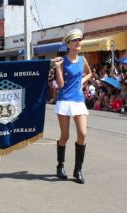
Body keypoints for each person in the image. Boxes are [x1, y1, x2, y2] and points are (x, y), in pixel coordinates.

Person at [54, 28, 92, 184]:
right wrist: (57, 68)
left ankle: (78, 170)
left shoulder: (83, 60)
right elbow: (61, 84)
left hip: (78, 99)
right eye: (75, 40)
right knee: (65, 136)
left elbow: (90, 73)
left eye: (79, 40)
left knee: (82, 134)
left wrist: (81, 82)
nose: (78, 43)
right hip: (64, 100)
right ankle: (60, 166)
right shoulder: (62, 60)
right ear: (68, 44)